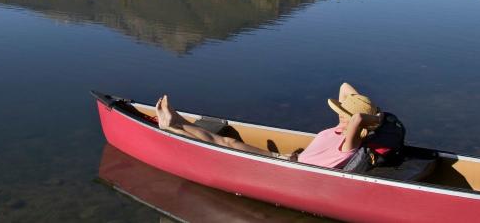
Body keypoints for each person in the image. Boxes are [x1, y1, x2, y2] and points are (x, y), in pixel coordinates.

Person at [154, 82, 383, 169]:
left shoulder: (350, 141)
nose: (341, 117)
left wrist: (376, 120)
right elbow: (345, 87)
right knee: (226, 141)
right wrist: (370, 113)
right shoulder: (342, 129)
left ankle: (173, 127)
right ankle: (177, 123)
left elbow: (357, 120)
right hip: (287, 159)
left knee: (227, 142)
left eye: (344, 114)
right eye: (342, 113)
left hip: (288, 169)